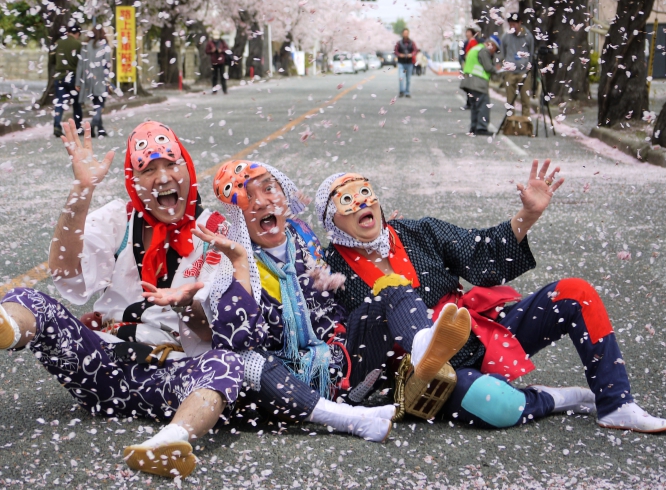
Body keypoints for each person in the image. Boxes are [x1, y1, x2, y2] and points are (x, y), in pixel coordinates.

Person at [0, 119, 246, 479]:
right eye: (147, 169)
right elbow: (67, 273)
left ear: (188, 167)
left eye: (170, 164)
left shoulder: (216, 230)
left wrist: (183, 302)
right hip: (102, 365)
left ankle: (169, 441)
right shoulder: (120, 219)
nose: (162, 177)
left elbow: (220, 328)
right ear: (134, 182)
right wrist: (81, 191)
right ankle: (7, 329)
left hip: (173, 378)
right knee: (28, 298)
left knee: (227, 363)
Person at [316, 162, 666, 433]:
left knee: (575, 293)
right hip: (428, 377)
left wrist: (528, 214)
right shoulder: (329, 273)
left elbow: (481, 253)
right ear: (332, 220)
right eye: (346, 199)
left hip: (476, 332)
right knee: (496, 403)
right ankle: (555, 398)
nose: (361, 200)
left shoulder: (418, 231)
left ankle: (615, 402)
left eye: (365, 190)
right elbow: (345, 348)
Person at [191, 160, 399, 441]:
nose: (263, 202)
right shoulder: (230, 254)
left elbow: (321, 277)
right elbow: (233, 340)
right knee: (244, 360)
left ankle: (372, 383)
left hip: (332, 356)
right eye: (248, 197)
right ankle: (344, 416)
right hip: (279, 377)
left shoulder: (300, 232)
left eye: (269, 188)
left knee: (386, 298)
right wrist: (238, 265)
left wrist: (326, 277)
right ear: (237, 214)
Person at [76, 25, 112, 138]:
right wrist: (108, 80)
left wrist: (78, 82)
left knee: (96, 103)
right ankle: (93, 124)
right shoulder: (104, 46)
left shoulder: (85, 47)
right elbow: (107, 64)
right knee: (100, 104)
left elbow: (80, 65)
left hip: (88, 80)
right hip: (101, 78)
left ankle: (101, 129)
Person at [461, 34, 501, 136]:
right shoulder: (484, 50)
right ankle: (481, 127)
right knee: (484, 104)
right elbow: (488, 67)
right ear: (491, 44)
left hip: (468, 81)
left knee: (475, 106)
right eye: (495, 49)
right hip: (478, 82)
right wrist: (497, 69)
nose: (494, 52)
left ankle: (474, 127)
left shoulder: (476, 48)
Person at [501, 13, 535, 117]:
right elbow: (502, 52)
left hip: (524, 71)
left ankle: (525, 123)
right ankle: (510, 123)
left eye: (514, 24)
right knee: (510, 101)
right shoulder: (506, 36)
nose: (512, 26)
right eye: (510, 24)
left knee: (525, 99)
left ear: (520, 23)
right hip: (510, 72)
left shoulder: (528, 36)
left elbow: (531, 53)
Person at [53, 24, 84, 137]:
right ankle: (78, 127)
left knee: (60, 102)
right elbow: (81, 63)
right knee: (76, 103)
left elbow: (52, 59)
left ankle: (56, 125)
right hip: (73, 77)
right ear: (77, 34)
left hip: (60, 76)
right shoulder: (78, 44)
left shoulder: (58, 43)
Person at [394, 29, 418, 98]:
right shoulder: (399, 43)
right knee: (401, 77)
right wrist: (399, 54)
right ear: (402, 34)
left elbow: (415, 50)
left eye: (407, 33)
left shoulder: (412, 42)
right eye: (404, 33)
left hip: (409, 63)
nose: (405, 34)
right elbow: (395, 51)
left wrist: (412, 54)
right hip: (401, 62)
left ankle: (407, 92)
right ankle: (401, 91)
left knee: (408, 79)